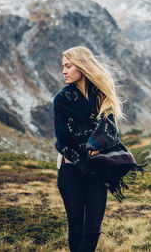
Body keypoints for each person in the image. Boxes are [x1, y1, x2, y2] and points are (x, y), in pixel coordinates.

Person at [53, 46, 126, 252]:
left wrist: (96, 144)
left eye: (68, 66)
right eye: (63, 67)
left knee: (93, 228)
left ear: (82, 67)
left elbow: (111, 131)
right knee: (76, 228)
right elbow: (63, 139)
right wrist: (89, 152)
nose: (64, 71)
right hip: (71, 170)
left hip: (97, 170)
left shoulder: (102, 96)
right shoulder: (62, 99)